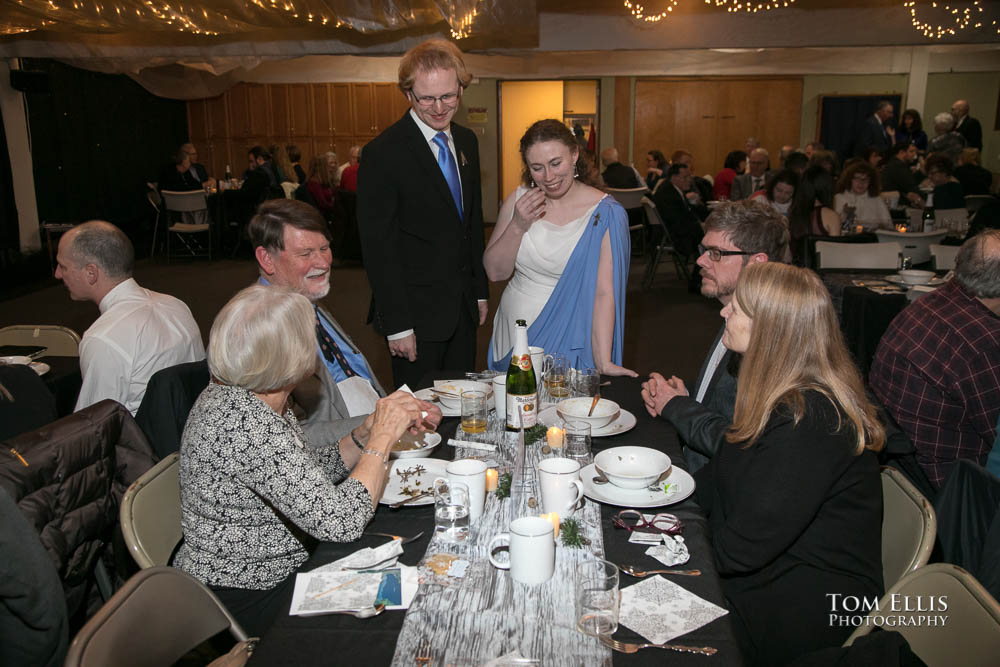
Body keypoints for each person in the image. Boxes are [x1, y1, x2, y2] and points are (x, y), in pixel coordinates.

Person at [173, 284, 427, 637]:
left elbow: (299, 474)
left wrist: (363, 435)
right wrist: (383, 439)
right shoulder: (248, 424)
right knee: (398, 607)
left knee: (405, 566)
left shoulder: (250, 395)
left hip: (273, 566)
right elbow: (341, 523)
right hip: (248, 591)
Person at [698, 261, 885, 665]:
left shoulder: (810, 422)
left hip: (804, 603)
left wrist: (679, 547)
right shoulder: (776, 394)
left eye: (738, 307)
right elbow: (714, 480)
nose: (723, 311)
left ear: (771, 329)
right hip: (771, 571)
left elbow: (741, 550)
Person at [249, 200, 441, 449]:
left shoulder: (305, 300)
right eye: (306, 254)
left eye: (324, 248)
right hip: (334, 463)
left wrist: (399, 409)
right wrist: (381, 422)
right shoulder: (258, 331)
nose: (322, 263)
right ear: (267, 258)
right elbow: (283, 441)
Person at [357, 38, 489, 388]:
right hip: (415, 317)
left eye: (448, 96)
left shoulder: (467, 142)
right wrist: (398, 324)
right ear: (407, 94)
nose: (439, 107)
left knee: (464, 405)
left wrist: (479, 290)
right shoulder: (383, 153)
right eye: (426, 98)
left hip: (461, 309)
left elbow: (471, 223)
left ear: (461, 88)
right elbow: (378, 248)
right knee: (420, 418)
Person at [641, 201, 788, 472]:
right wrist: (688, 397)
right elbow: (724, 404)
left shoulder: (768, 340)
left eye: (716, 253)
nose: (700, 260)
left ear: (757, 263)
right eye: (704, 250)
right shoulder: (733, 313)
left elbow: (743, 445)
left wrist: (676, 406)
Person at [484, 119, 633, 376]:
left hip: (573, 331)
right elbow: (495, 272)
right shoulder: (520, 200)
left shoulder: (606, 213)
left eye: (556, 163)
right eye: (537, 168)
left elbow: (604, 293)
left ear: (575, 154)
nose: (549, 177)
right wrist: (518, 225)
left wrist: (603, 359)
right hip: (514, 331)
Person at [870, 230, 1000, 488]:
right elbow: (996, 435)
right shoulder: (985, 342)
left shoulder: (928, 303)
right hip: (955, 492)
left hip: (899, 475)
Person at [54, 221, 204, 414]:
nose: (57, 274)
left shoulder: (103, 338)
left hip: (142, 441)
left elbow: (93, 427)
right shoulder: (176, 305)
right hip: (190, 429)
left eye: (63, 266)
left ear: (91, 273)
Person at [653, 162, 709, 261]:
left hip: (675, 232)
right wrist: (700, 225)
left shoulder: (672, 189)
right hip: (678, 237)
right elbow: (678, 222)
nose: (689, 180)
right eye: (685, 177)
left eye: (689, 176)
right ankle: (699, 272)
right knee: (712, 237)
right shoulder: (668, 195)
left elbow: (684, 213)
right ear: (674, 178)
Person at [788, 165, 840, 263]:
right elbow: (835, 254)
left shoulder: (793, 212)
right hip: (821, 272)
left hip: (795, 271)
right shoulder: (831, 216)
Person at [834, 160, 891, 231]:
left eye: (865, 179)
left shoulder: (877, 199)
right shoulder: (839, 198)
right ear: (849, 179)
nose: (861, 183)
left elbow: (888, 225)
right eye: (857, 178)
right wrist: (844, 214)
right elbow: (835, 226)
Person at [881, 141, 924, 207]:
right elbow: (911, 187)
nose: (915, 155)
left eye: (915, 152)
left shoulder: (896, 164)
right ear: (902, 152)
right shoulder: (897, 166)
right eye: (911, 151)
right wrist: (922, 172)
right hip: (898, 204)